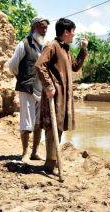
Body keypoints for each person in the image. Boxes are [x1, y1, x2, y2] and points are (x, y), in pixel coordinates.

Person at [35, 18, 88, 174]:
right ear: (66, 32)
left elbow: (75, 67)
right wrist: (49, 86)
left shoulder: (65, 48)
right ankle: (50, 164)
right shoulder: (52, 46)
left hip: (64, 95)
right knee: (53, 128)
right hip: (55, 95)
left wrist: (83, 50)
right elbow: (39, 65)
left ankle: (53, 160)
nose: (74, 35)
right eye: (73, 32)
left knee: (59, 127)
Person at [9, 17, 49, 162]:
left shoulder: (45, 47)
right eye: (42, 27)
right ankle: (25, 153)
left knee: (38, 123)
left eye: (46, 28)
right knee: (26, 122)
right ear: (34, 27)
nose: (44, 30)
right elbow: (12, 66)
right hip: (27, 89)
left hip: (41, 90)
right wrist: (22, 77)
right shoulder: (24, 44)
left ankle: (35, 152)